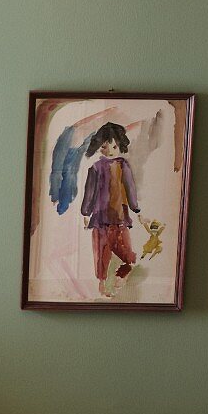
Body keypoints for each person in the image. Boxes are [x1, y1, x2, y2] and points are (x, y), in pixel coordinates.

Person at [81, 122, 140, 298]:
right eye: (105, 146)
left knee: (128, 256)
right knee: (101, 255)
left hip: (120, 219)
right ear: (100, 147)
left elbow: (130, 189)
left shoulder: (123, 165)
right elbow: (89, 192)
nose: (110, 150)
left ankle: (120, 277)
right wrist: (85, 212)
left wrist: (136, 208)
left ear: (120, 145)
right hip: (99, 219)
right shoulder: (95, 168)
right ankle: (102, 285)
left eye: (114, 146)